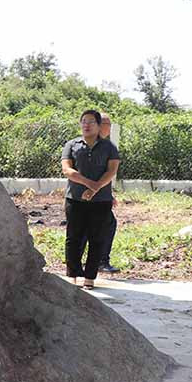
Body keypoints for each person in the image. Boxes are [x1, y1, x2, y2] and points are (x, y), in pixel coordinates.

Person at [61, 110, 121, 290]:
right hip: (75, 199)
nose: (86, 125)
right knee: (73, 238)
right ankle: (72, 276)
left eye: (91, 122)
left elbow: (112, 171)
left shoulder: (109, 147)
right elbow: (67, 170)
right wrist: (90, 184)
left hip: (101, 201)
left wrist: (95, 189)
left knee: (97, 239)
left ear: (99, 125)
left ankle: (90, 278)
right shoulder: (71, 145)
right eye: (83, 121)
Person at [78, 113, 121, 274]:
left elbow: (106, 174)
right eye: (106, 124)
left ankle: (84, 263)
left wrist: (109, 195)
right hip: (86, 196)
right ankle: (99, 262)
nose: (108, 127)